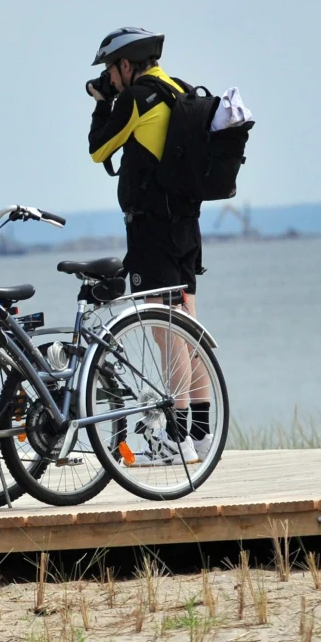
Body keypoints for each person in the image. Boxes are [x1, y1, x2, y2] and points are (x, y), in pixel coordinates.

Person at [86, 27, 212, 466]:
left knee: (165, 333)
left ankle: (173, 438)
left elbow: (99, 151)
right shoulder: (178, 89)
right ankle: (199, 434)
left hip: (151, 231)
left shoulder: (137, 98)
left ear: (125, 64)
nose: (109, 77)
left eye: (110, 69)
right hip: (186, 226)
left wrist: (102, 104)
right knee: (188, 328)